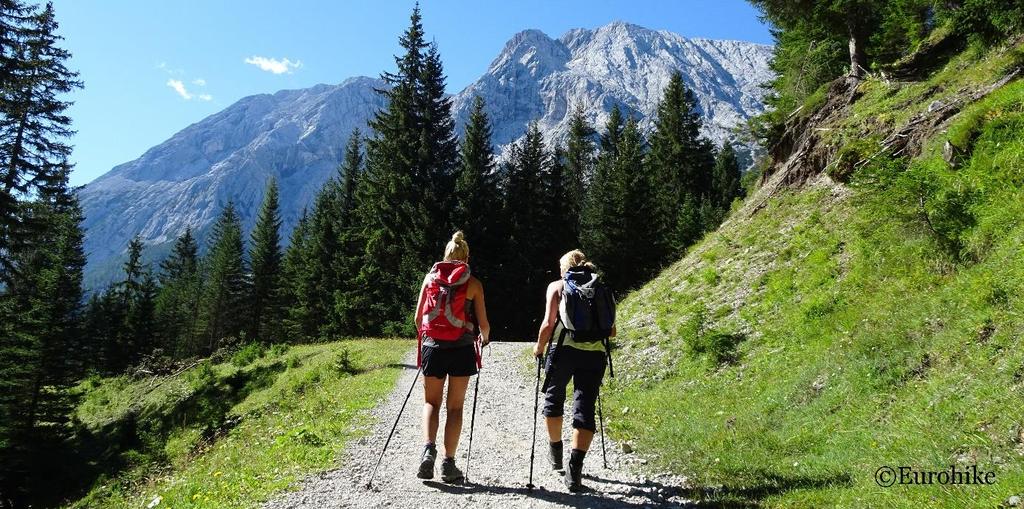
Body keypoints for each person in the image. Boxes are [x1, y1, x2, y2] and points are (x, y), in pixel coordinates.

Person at [533, 249, 614, 492]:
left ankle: (555, 452)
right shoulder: (599, 286)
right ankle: (574, 470)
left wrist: (538, 348)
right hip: (595, 354)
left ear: (565, 267)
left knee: (554, 398)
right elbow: (612, 331)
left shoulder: (557, 286)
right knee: (584, 406)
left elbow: (548, 324)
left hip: (563, 351)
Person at [414, 231, 490, 483]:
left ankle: (428, 450)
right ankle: (448, 464)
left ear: (445, 256)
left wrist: (429, 338)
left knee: (431, 403)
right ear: (467, 258)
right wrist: (484, 339)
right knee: (455, 407)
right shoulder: (474, 284)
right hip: (462, 349)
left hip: (433, 347)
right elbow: (484, 325)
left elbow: (417, 319)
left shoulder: (430, 278)